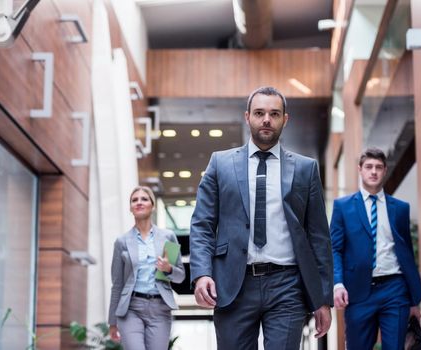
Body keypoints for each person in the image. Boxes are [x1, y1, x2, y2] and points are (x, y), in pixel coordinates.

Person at [189, 86, 333, 349]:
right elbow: (202, 224)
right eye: (259, 113)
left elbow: (318, 238)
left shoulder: (305, 168)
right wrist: (201, 273)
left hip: (287, 285)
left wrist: (323, 298)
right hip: (234, 284)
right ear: (248, 117)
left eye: (274, 113)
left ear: (284, 120)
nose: (266, 119)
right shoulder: (220, 164)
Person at [330, 148, 421, 350]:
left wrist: (413, 301)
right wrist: (338, 283)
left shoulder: (400, 208)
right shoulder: (342, 207)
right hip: (357, 291)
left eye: (379, 167)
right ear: (360, 170)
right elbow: (334, 249)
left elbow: (406, 253)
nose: (374, 172)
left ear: (385, 170)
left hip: (394, 289)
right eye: (369, 167)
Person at [108, 186, 185, 350]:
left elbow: (180, 277)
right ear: (130, 208)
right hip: (131, 308)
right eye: (134, 200)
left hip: (160, 308)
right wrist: (112, 322)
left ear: (153, 205)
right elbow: (117, 285)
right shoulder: (122, 241)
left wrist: (168, 268)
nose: (139, 202)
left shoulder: (167, 237)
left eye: (144, 199)